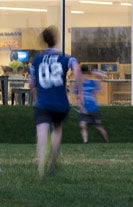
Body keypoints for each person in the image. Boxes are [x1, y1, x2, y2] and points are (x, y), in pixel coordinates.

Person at [28, 27, 78, 178]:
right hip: (60, 103)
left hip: (42, 103)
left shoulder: (36, 60)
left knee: (41, 132)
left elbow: (31, 84)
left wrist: (37, 97)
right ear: (56, 40)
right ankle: (52, 162)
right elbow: (76, 67)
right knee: (57, 130)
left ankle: (40, 167)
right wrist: (78, 92)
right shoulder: (65, 58)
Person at [78, 65, 110, 144]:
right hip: (84, 110)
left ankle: (107, 142)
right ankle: (85, 142)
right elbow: (77, 97)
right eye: (83, 74)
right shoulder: (78, 84)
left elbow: (104, 76)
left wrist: (94, 71)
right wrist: (81, 107)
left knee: (98, 127)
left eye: (85, 74)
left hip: (94, 109)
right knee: (83, 125)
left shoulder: (93, 82)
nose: (84, 76)